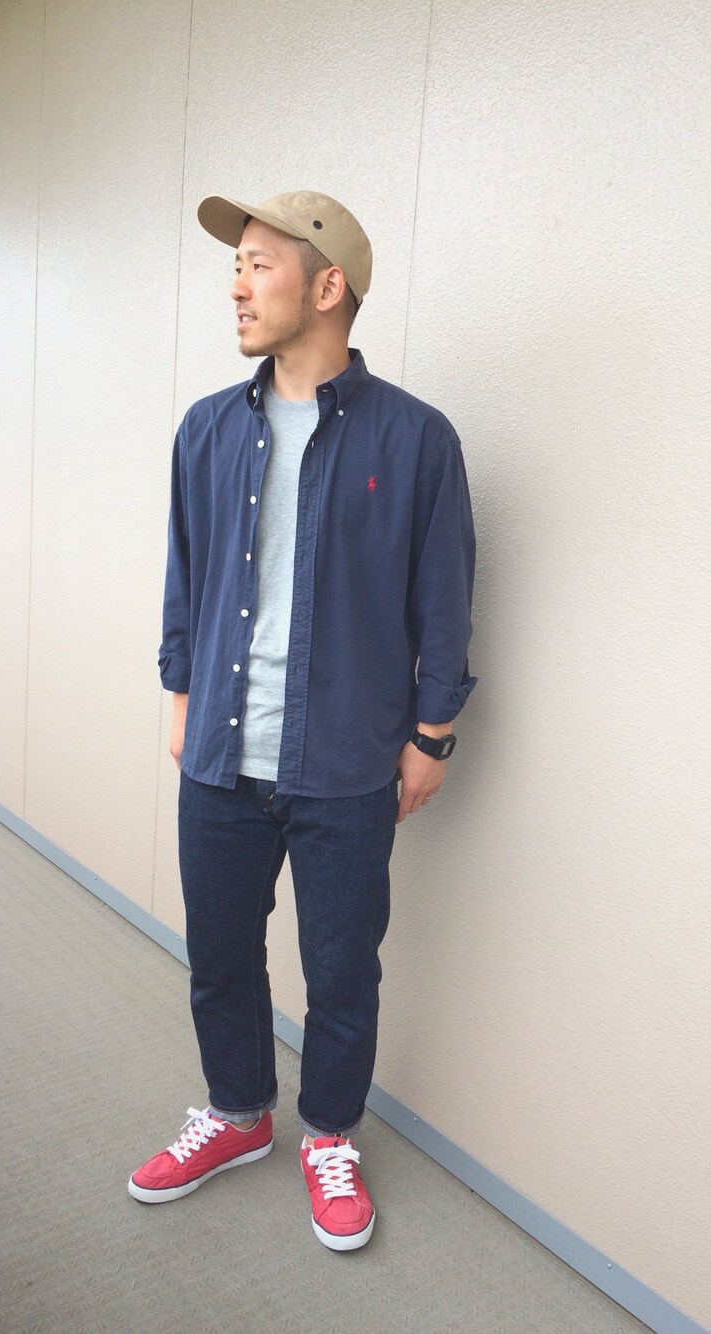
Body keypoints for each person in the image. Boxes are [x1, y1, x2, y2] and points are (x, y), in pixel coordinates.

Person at [126, 190, 476, 1252]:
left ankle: (329, 1135)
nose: (236, 286)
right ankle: (238, 1114)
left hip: (346, 763)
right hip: (221, 753)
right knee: (220, 956)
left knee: (342, 972)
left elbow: (444, 601)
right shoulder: (205, 428)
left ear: (328, 287)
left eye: (258, 265)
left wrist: (432, 736)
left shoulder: (415, 439)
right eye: (235, 267)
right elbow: (185, 576)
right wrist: (181, 699)